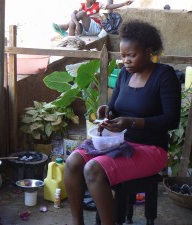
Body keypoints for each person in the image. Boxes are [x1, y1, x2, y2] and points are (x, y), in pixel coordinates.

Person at [64, 20, 181, 225]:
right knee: (73, 162)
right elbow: (115, 107)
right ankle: (77, 222)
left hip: (151, 149)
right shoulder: (124, 76)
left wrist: (132, 123)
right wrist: (107, 112)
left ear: (149, 51)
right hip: (118, 144)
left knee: (93, 169)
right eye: (123, 55)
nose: (125, 61)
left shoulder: (164, 76)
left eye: (131, 55)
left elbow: (171, 120)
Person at [52, 0, 133, 37]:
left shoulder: (98, 4)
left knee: (81, 14)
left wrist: (123, 3)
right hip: (85, 29)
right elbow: (72, 14)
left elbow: (109, 6)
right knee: (72, 22)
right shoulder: (82, 6)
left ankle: (66, 26)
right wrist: (77, 24)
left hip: (96, 28)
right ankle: (70, 40)